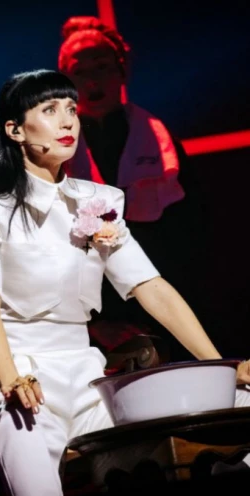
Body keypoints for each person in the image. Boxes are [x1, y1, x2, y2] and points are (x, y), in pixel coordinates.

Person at [0, 69, 250, 496]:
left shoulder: (98, 202)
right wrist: (12, 381)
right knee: (25, 425)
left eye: (71, 109)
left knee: (240, 401)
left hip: (91, 389)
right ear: (15, 130)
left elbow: (152, 288)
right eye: (50, 110)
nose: (68, 121)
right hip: (16, 385)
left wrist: (222, 368)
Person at [57, 16, 208, 359]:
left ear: (121, 70)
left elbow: (192, 235)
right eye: (80, 72)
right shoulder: (54, 152)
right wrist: (95, 324)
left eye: (102, 67)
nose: (92, 80)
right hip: (86, 325)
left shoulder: (160, 142)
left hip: (165, 307)